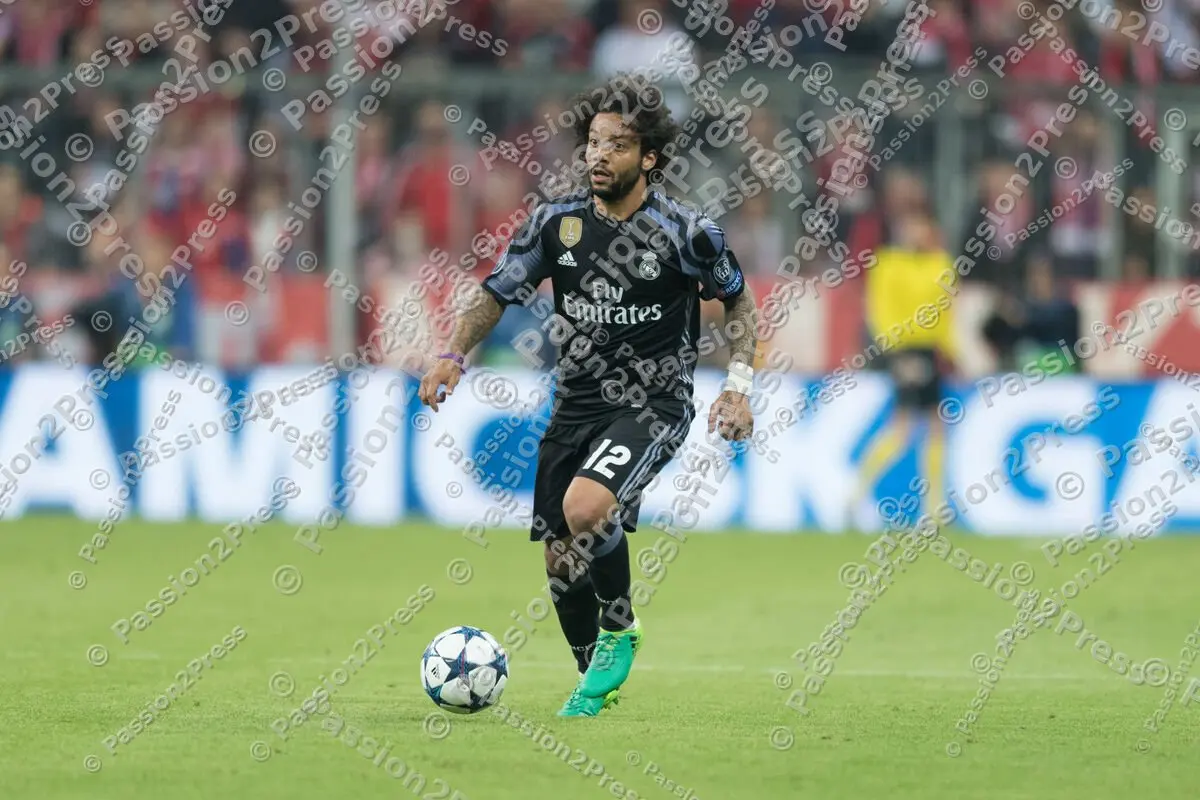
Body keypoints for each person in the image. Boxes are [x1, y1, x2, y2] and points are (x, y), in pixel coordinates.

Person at [417, 74, 758, 717]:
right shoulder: (556, 225)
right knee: (560, 560)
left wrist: (738, 388)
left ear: (649, 158)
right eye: (594, 143)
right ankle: (591, 681)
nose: (599, 156)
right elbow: (496, 292)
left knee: (585, 508)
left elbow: (738, 300)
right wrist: (451, 353)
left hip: (653, 405)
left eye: (618, 145)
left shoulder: (687, 232)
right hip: (574, 405)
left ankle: (620, 629)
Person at [849, 213, 957, 528]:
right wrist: (895, 353)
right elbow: (880, 310)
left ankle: (935, 507)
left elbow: (945, 311)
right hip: (904, 351)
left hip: (930, 352)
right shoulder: (888, 264)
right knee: (903, 430)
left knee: (936, 428)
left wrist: (951, 352)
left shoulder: (940, 264)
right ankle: (856, 494)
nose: (917, 231)